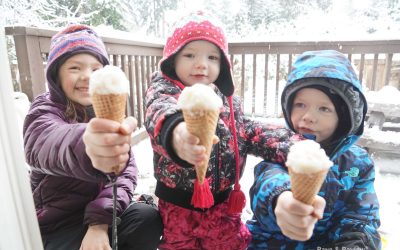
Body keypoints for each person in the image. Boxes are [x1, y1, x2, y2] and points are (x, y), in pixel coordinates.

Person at [144, 11, 302, 250]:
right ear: (172, 60)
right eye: (189, 54)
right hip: (178, 206)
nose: (201, 64)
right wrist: (178, 134)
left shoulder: (227, 101)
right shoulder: (164, 91)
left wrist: (291, 144)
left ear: (223, 65)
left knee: (231, 244)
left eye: (212, 57)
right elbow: (160, 112)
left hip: (223, 203)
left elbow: (247, 131)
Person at [23, 24, 163, 250]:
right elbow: (45, 144)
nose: (87, 76)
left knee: (147, 218)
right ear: (56, 73)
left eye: (96, 69)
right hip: (59, 224)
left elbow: (126, 171)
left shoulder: (107, 113)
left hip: (102, 214)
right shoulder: (43, 111)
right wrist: (88, 142)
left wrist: (98, 223)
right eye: (75, 68)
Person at [246, 50, 381, 249]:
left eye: (324, 108)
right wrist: (281, 201)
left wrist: (354, 243)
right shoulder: (280, 148)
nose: (308, 116)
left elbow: (360, 217)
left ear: (344, 117)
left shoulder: (358, 163)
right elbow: (267, 182)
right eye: (300, 104)